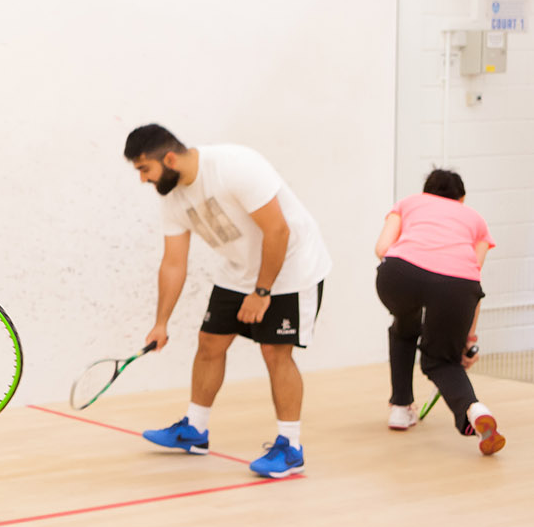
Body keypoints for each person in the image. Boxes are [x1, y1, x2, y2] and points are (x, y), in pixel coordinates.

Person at [124, 124, 332, 479]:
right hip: (239, 269)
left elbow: (278, 231)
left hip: (292, 266)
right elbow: (174, 262)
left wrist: (262, 292)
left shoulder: (236, 166)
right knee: (210, 343)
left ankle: (291, 446)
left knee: (274, 351)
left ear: (169, 158)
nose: (143, 179)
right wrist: (161, 323)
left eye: (145, 169)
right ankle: (194, 430)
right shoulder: (171, 196)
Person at [374, 168, 504, 453]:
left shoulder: (408, 203)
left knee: (404, 328)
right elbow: (473, 277)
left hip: (398, 276)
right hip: (455, 288)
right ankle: (474, 409)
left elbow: (382, 247)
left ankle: (399, 407)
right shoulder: (476, 220)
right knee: (441, 361)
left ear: (426, 193)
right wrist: (468, 341)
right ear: (462, 198)